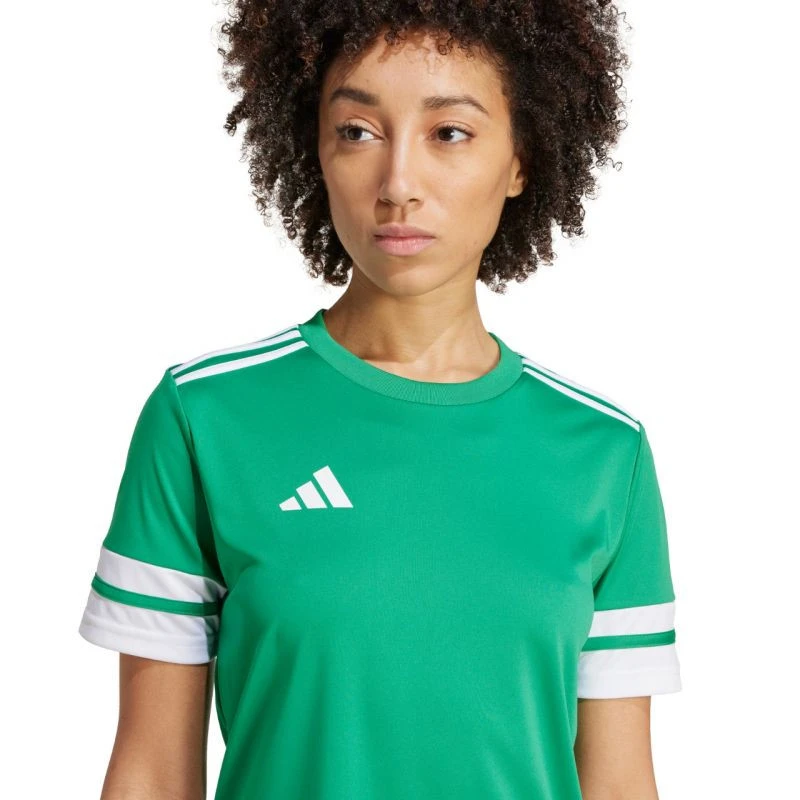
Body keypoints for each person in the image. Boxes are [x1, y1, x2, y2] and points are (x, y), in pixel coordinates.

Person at [78, 2, 682, 799]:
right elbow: (152, 777)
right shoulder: (205, 418)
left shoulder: (604, 454)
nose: (399, 183)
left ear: (520, 160)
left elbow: (620, 784)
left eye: (449, 133)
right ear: (316, 149)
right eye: (358, 131)